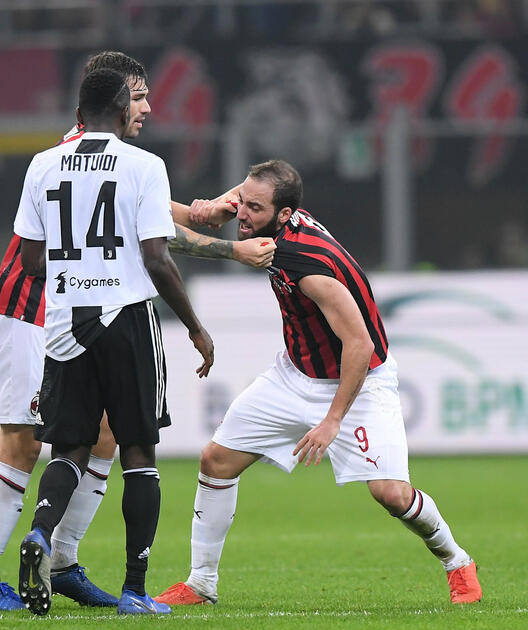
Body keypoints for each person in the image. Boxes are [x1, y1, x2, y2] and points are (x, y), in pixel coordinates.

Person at [0, 50, 275, 611]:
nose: (148, 107)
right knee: (28, 442)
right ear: (112, 101)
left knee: (97, 437)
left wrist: (196, 213)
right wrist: (228, 249)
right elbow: (141, 237)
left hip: (62, 312)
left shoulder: (62, 158)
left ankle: (59, 559)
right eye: (139, 96)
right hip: (29, 309)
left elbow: (136, 210)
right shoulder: (100, 157)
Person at [154, 159, 482, 607]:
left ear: (284, 215)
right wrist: (213, 207)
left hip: (359, 380)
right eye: (243, 202)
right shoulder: (276, 211)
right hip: (294, 374)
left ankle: (457, 561)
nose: (242, 214)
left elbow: (359, 344)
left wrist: (331, 421)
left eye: (253, 208)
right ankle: (201, 582)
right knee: (216, 460)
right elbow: (235, 200)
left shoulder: (301, 261)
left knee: (391, 493)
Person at [14, 68, 214, 616]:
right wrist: (194, 325)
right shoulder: (144, 165)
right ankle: (134, 589)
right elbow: (157, 257)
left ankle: (40, 534)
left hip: (64, 319)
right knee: (138, 452)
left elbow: (31, 261)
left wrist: (75, 270)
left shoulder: (42, 164)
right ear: (123, 106)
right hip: (125, 316)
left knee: (70, 447)